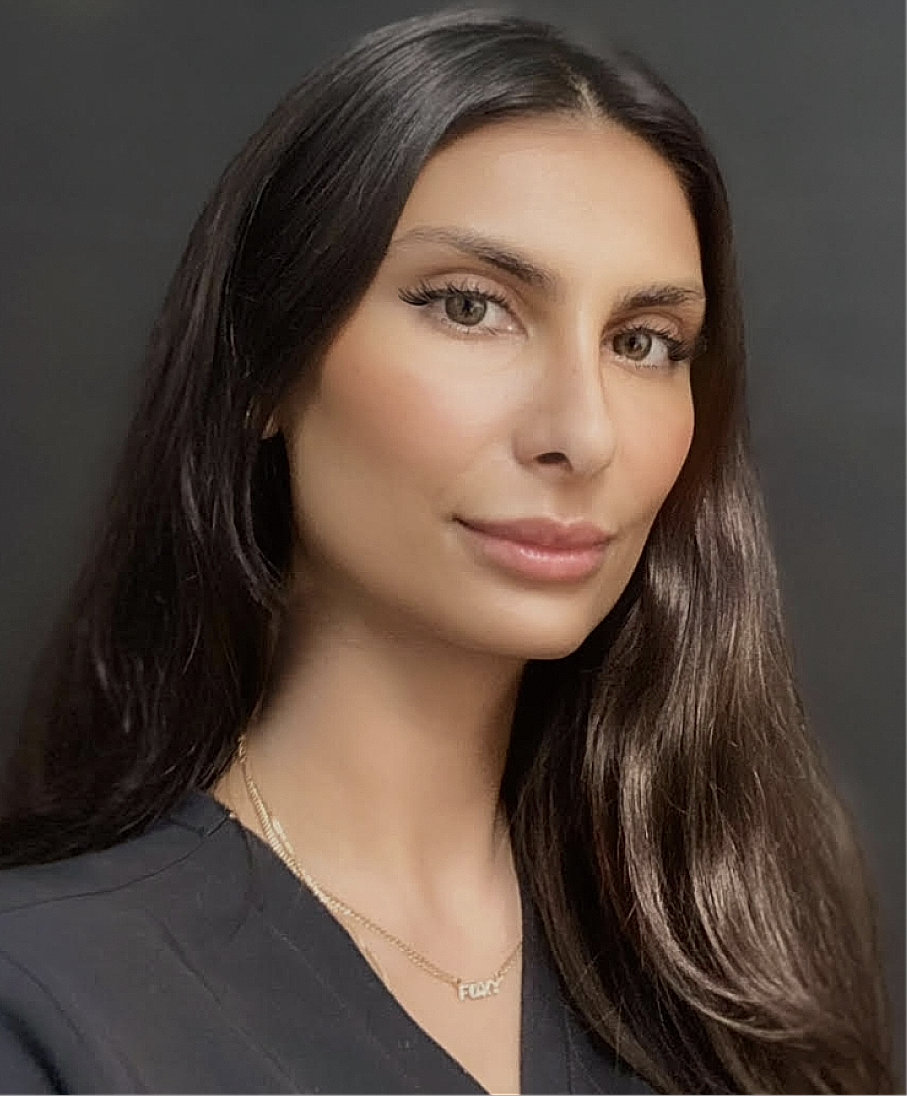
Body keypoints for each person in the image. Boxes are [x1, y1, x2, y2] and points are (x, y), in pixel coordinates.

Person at [0, 9, 896, 1095]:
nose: (583, 431)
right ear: (265, 365)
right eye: (470, 307)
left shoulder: (729, 959)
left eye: (643, 342)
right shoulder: (49, 994)